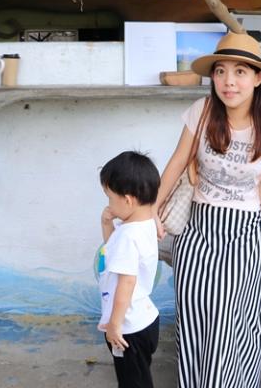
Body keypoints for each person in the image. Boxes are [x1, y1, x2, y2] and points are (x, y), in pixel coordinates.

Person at [156, 32, 261, 387]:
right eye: (221, 71)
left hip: (245, 233)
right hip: (198, 230)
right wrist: (151, 210)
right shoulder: (203, 111)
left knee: (230, 322)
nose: (228, 81)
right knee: (194, 317)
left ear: (257, 78)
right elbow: (177, 163)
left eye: (240, 72)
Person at [97, 151, 162, 388]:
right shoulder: (144, 225)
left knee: (133, 383)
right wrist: (107, 223)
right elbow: (112, 252)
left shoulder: (128, 235)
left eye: (110, 198)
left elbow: (126, 283)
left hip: (128, 327)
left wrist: (115, 324)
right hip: (144, 320)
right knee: (139, 378)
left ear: (128, 200)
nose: (109, 204)